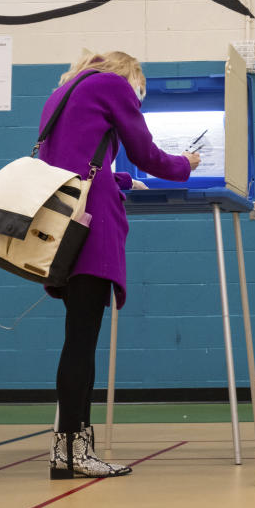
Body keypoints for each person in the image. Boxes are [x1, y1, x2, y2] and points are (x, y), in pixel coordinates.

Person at [39, 50, 202, 479]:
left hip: (63, 224)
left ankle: (66, 450)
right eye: (140, 89)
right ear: (130, 76)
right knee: (82, 342)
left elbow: (73, 166)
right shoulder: (112, 86)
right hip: (93, 229)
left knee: (76, 338)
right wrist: (186, 164)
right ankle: (75, 451)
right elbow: (146, 152)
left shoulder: (60, 95)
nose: (138, 96)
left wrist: (120, 179)